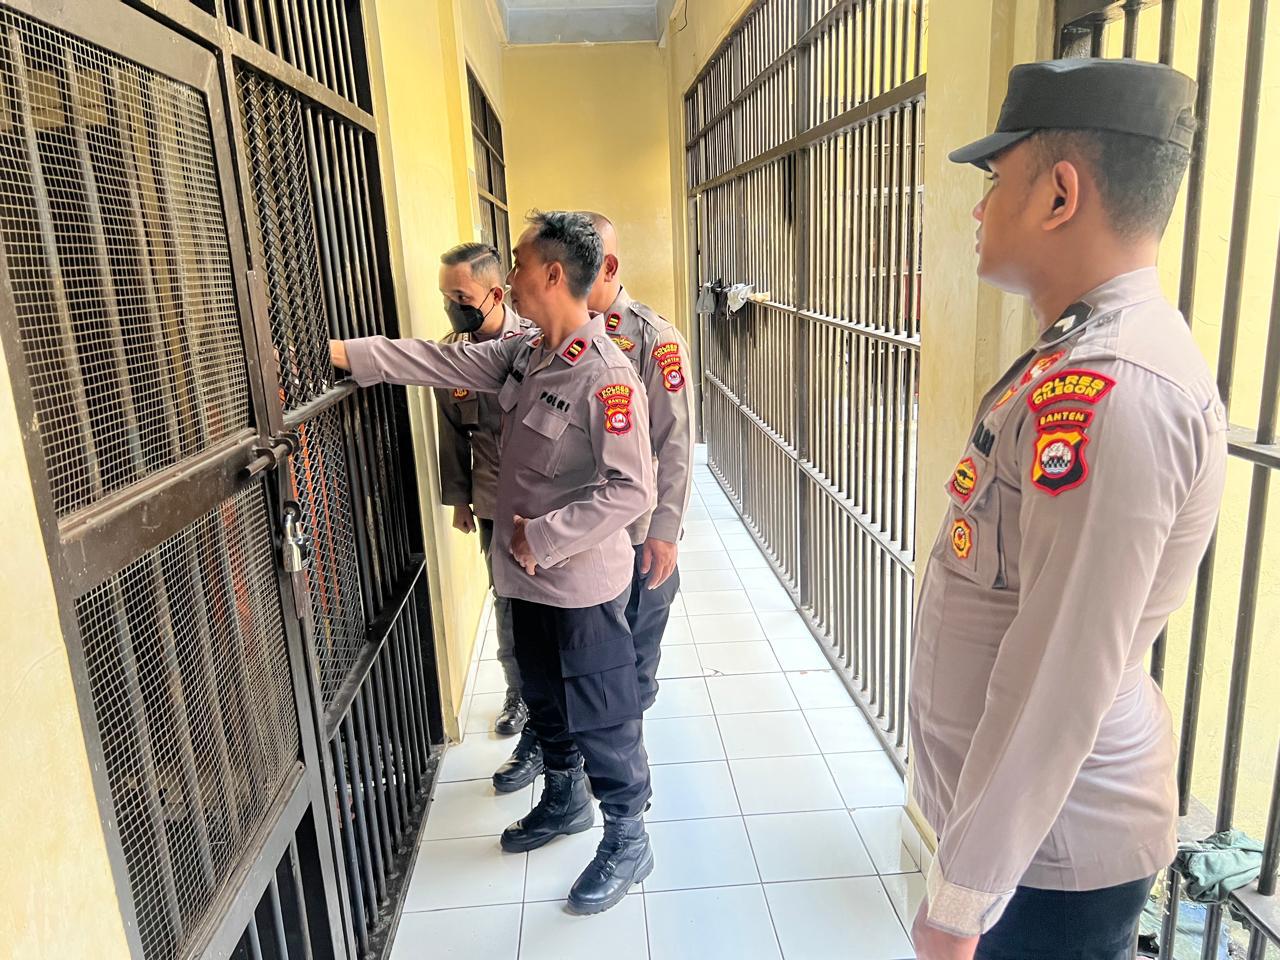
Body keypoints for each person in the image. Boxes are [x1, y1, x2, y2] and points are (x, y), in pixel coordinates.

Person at [908, 58, 1227, 960]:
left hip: (1051, 860)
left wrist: (960, 898)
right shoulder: (1075, 352)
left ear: (1058, 194)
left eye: (995, 181)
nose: (979, 210)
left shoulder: (1115, 387)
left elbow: (1058, 672)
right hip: (1028, 842)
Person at [330, 211, 657, 916]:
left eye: (517, 263)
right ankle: (565, 799)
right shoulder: (526, 353)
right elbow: (437, 362)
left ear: (551, 274)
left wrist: (544, 538)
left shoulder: (606, 374)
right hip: (526, 581)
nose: (507, 275)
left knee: (602, 714)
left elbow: (632, 490)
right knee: (543, 694)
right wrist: (342, 354)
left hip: (578, 585)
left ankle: (628, 838)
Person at [581, 211, 695, 711]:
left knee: (633, 662)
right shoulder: (559, 335)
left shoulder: (653, 338)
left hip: (634, 531)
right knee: (591, 664)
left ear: (608, 267)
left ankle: (630, 757)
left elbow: (676, 443)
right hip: (580, 530)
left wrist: (664, 532)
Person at [433, 242, 532, 754]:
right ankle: (519, 693)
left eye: (461, 296)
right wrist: (460, 500)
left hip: (544, 503)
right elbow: (452, 433)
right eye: (446, 296)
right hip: (492, 499)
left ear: (495, 293)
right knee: (507, 600)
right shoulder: (450, 353)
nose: (452, 306)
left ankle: (557, 692)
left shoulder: (535, 342)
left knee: (554, 601)